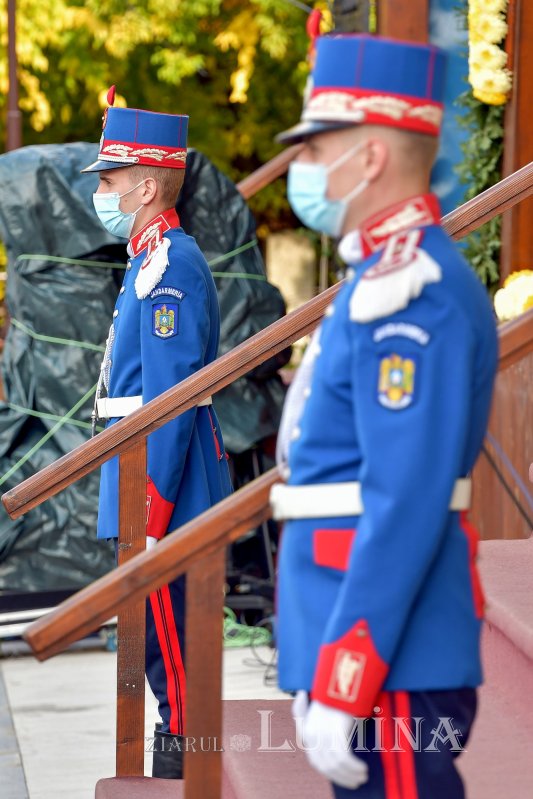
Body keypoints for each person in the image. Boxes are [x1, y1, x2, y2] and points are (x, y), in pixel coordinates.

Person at [270, 34, 498, 798]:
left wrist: (346, 671)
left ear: (367, 157)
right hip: (353, 626)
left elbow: (404, 496)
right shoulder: (378, 274)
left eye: (313, 150)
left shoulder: (414, 289)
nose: (300, 171)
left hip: (385, 648)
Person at [81, 89, 233, 779]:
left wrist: (150, 507)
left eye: (109, 181)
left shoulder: (170, 264)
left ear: (145, 185)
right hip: (138, 462)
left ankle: (183, 751)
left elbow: (168, 401)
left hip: (161, 472)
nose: (102, 192)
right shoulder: (148, 259)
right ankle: (178, 741)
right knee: (151, 627)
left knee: (166, 628)